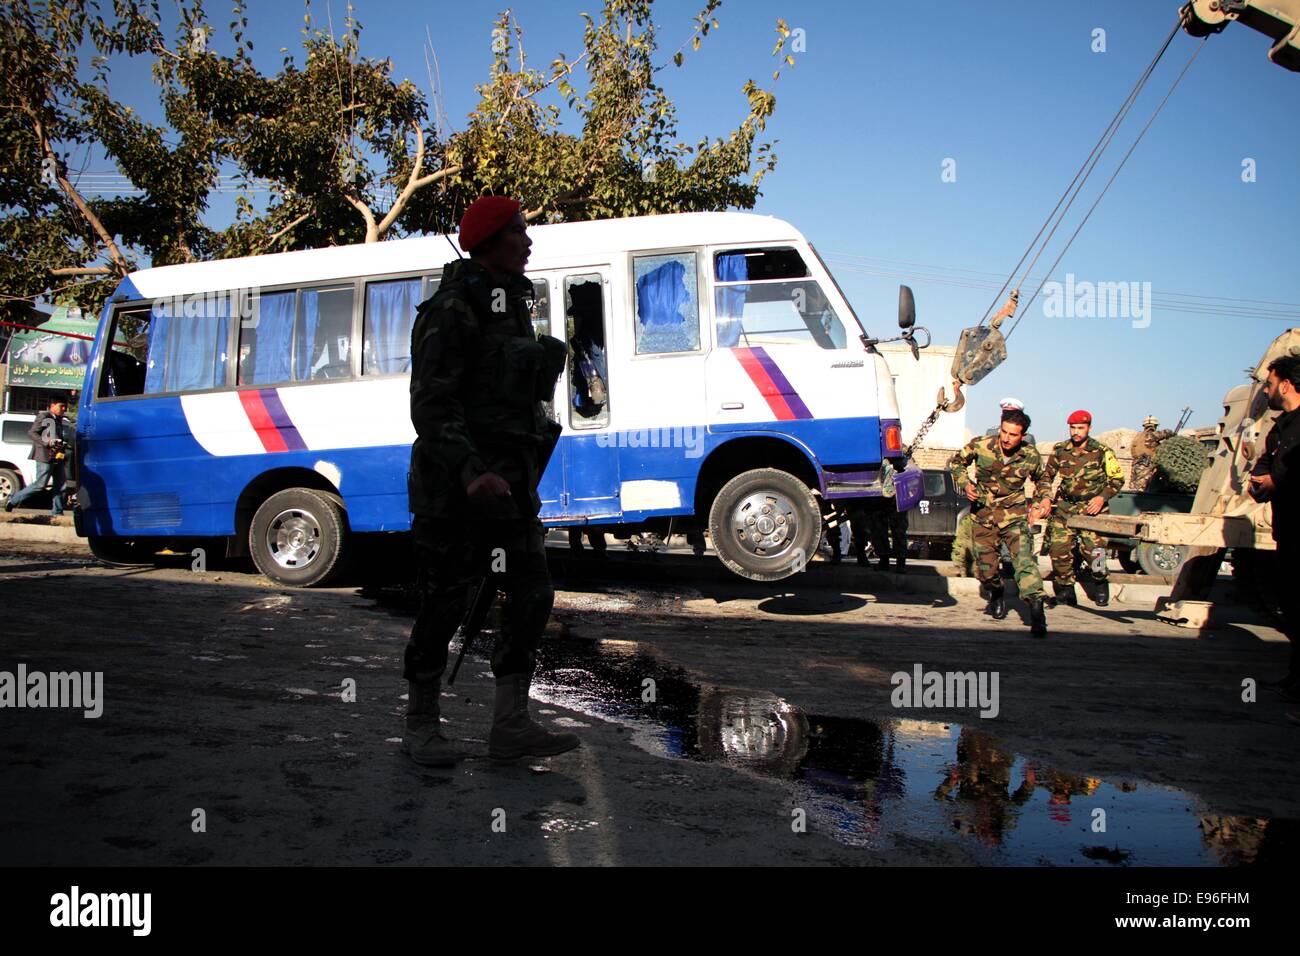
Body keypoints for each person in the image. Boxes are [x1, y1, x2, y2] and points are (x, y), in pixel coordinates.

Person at [403, 195, 575, 766]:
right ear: (489, 241)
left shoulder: (510, 306)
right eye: (519, 232)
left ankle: (510, 724)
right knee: (444, 604)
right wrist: (471, 471)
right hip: (457, 492)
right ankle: (422, 725)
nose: (528, 242)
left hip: (511, 488)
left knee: (532, 592)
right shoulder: (453, 308)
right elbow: (431, 405)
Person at [948, 408, 1049, 637]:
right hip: (983, 516)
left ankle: (1036, 608)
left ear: (1022, 436)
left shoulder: (1030, 455)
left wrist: (1045, 498)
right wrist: (965, 484)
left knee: (1024, 561)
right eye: (1004, 432)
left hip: (1014, 515)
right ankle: (996, 592)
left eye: (1013, 435)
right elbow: (956, 462)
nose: (1006, 438)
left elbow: (1042, 479)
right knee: (986, 569)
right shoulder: (981, 445)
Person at [1248, 355, 1300, 700]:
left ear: (1284, 383)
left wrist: (1275, 479)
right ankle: (1295, 679)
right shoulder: (1281, 426)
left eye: (1269, 383)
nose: (1267, 390)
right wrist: (1261, 481)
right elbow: (1265, 463)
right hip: (1289, 528)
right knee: (1293, 606)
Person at [1038, 410, 1125, 607]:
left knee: (1096, 553)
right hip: (1065, 507)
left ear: (1089, 428)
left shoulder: (1102, 451)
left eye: (1080, 428)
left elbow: (1118, 478)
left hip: (1092, 508)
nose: (1076, 432)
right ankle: (1066, 591)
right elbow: (1046, 478)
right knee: (1058, 550)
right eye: (1073, 428)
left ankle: (1101, 583)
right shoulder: (1060, 450)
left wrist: (1102, 498)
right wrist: (1045, 497)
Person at [5, 397, 69, 515]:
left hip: (57, 457)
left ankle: (57, 512)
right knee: (40, 484)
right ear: (53, 405)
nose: (64, 409)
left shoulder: (59, 419)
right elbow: (32, 433)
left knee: (61, 485)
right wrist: (47, 443)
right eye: (61, 406)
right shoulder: (44, 416)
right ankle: (13, 500)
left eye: (65, 406)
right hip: (45, 456)